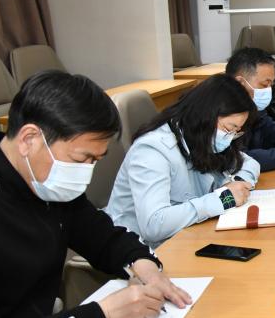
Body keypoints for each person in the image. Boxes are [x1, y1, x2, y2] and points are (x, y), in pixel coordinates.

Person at [0, 71, 191, 318]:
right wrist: (103, 317)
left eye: (95, 161)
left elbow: (104, 237)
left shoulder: (47, 184)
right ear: (29, 139)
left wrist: (144, 265)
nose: (86, 174)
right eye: (81, 159)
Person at [106, 75, 261, 249]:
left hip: (187, 236)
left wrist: (237, 185)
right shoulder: (153, 149)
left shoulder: (201, 138)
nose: (229, 138)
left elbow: (250, 163)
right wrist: (224, 199)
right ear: (206, 115)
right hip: (141, 249)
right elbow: (153, 225)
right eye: (228, 128)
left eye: (236, 132)